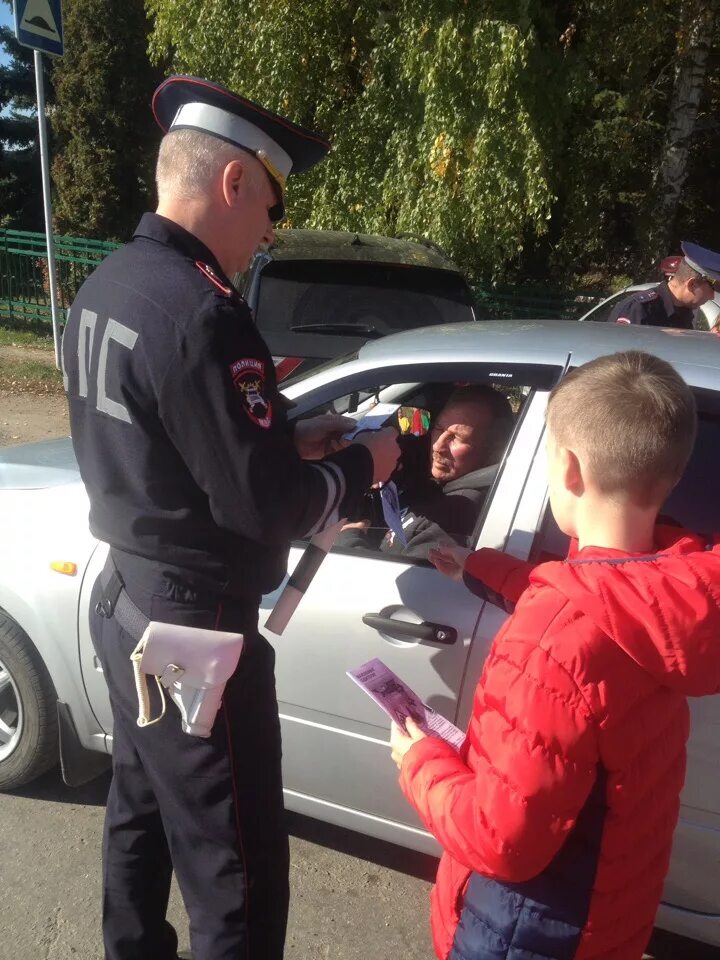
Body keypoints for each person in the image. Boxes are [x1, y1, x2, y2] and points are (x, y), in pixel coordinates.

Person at [61, 75, 399, 960]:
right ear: (235, 183)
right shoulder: (208, 315)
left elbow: (172, 432)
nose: (271, 231)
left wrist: (287, 429)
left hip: (124, 598)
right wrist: (365, 463)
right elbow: (268, 509)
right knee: (238, 880)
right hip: (197, 632)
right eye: (273, 205)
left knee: (139, 808)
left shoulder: (110, 285)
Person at [389, 351, 720, 960]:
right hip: (605, 920)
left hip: (522, 933)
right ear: (671, 475)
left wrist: (421, 759)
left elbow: (501, 839)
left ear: (566, 469)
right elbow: (597, 594)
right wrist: (482, 569)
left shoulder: (552, 640)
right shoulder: (672, 598)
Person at [341, 386, 513, 559]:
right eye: (438, 429)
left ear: (492, 449)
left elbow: (405, 583)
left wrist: (347, 539)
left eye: (457, 438)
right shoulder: (442, 485)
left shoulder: (457, 515)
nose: (438, 446)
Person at [609, 240, 720, 328]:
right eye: (712, 288)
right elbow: (622, 356)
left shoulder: (685, 313)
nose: (712, 296)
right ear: (692, 284)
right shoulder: (638, 309)